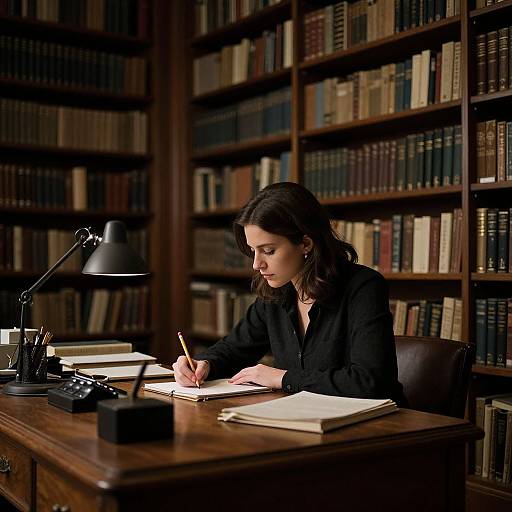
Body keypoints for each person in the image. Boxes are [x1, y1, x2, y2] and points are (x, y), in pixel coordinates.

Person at [173, 182, 406, 405]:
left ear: (305, 243)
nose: (256, 264)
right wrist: (204, 364)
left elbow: (371, 382)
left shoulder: (363, 287)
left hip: (375, 428)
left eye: (268, 251)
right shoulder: (277, 292)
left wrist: (282, 378)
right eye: (253, 251)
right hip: (304, 420)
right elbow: (235, 348)